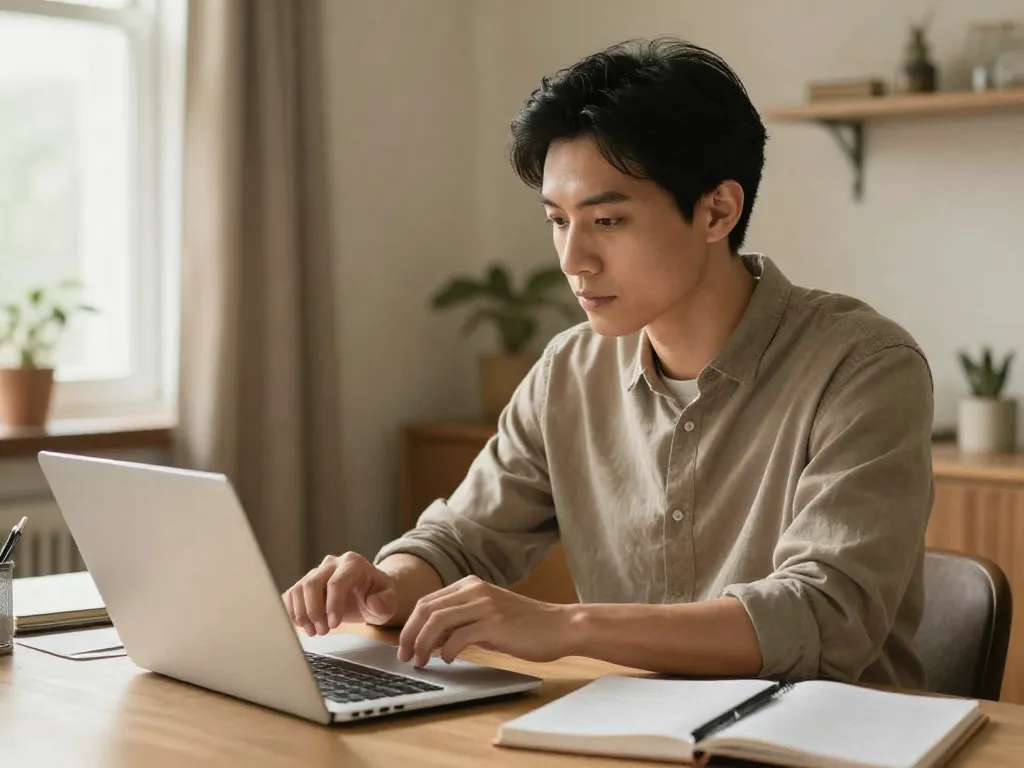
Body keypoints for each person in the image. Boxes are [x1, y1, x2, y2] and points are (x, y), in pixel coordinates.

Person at [283, 37, 934, 690]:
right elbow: (461, 541)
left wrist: (568, 626)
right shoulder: (569, 371)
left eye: (608, 221)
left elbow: (824, 617)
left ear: (718, 210)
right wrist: (385, 588)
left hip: (826, 741)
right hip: (624, 733)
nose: (572, 260)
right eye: (558, 221)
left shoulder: (864, 368)